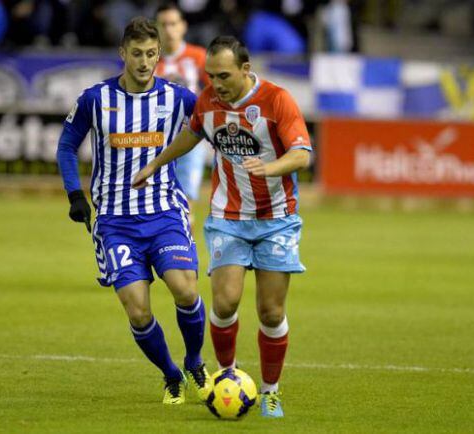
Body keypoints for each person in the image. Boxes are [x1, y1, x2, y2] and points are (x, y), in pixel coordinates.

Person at [132, 35, 312, 418]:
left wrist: (270, 167)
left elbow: (301, 155)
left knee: (270, 312)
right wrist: (155, 163)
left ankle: (270, 392)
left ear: (246, 70)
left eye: (224, 75)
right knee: (226, 302)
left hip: (276, 219)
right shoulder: (208, 102)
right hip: (228, 218)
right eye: (210, 76)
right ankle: (226, 376)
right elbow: (191, 135)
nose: (217, 83)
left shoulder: (277, 100)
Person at [56, 17, 210, 405]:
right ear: (122, 53)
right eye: (137, 54)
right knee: (138, 310)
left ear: (159, 55)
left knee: (185, 289)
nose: (144, 62)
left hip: (164, 214)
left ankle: (194, 361)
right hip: (115, 223)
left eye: (151, 54)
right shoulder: (95, 99)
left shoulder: (177, 98)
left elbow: (213, 121)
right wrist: (75, 194)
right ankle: (171, 375)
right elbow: (66, 146)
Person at [154, 3, 210, 208]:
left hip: (190, 139)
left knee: (185, 206)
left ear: (183, 26)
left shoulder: (199, 57)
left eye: (173, 23)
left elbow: (216, 93)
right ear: (156, 27)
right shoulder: (146, 60)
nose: (169, 29)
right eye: (164, 24)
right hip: (155, 142)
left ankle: (184, 241)